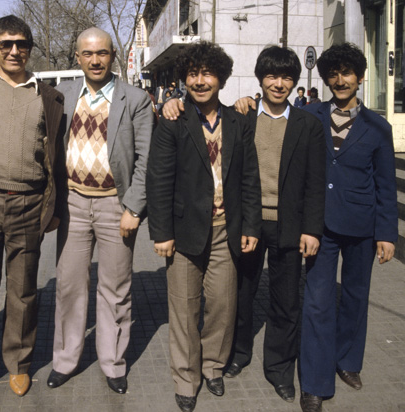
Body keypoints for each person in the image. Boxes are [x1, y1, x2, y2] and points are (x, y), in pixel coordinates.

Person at [146, 41, 261, 412]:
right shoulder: (173, 120)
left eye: (207, 73)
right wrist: (161, 233)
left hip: (227, 228)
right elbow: (158, 179)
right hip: (182, 233)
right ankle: (185, 377)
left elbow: (249, 179)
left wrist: (251, 226)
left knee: (222, 305)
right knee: (183, 308)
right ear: (184, 78)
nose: (199, 81)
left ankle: (212, 366)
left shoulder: (239, 121)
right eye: (193, 73)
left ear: (221, 78)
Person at [0, 15, 64, 401]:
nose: (14, 51)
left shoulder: (48, 95)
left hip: (29, 204)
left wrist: (54, 205)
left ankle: (19, 365)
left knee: (22, 292)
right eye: (5, 44)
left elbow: (57, 156)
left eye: (21, 44)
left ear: (30, 49)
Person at [46, 27, 152, 395]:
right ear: (77, 57)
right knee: (70, 286)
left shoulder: (135, 99)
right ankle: (65, 360)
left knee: (116, 289)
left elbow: (145, 160)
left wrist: (134, 207)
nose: (95, 60)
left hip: (114, 205)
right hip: (73, 202)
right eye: (88, 54)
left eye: (102, 53)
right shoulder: (63, 94)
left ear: (113, 56)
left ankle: (113, 363)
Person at [298, 43, 398, 412]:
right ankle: (314, 381)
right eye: (333, 74)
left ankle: (347, 361)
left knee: (355, 299)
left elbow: (386, 184)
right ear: (325, 78)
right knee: (318, 302)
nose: (340, 80)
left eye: (347, 73)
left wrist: (387, 234)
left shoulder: (378, 127)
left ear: (359, 77)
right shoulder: (309, 115)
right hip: (318, 226)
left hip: (362, 224)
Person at [223, 46, 326, 404]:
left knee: (285, 301)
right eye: (271, 76)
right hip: (249, 222)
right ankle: (237, 354)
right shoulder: (242, 118)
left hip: (289, 225)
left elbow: (315, 181)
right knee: (241, 293)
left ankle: (280, 368)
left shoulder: (308, 125)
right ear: (260, 78)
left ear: (294, 82)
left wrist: (312, 229)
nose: (278, 84)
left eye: (286, 77)